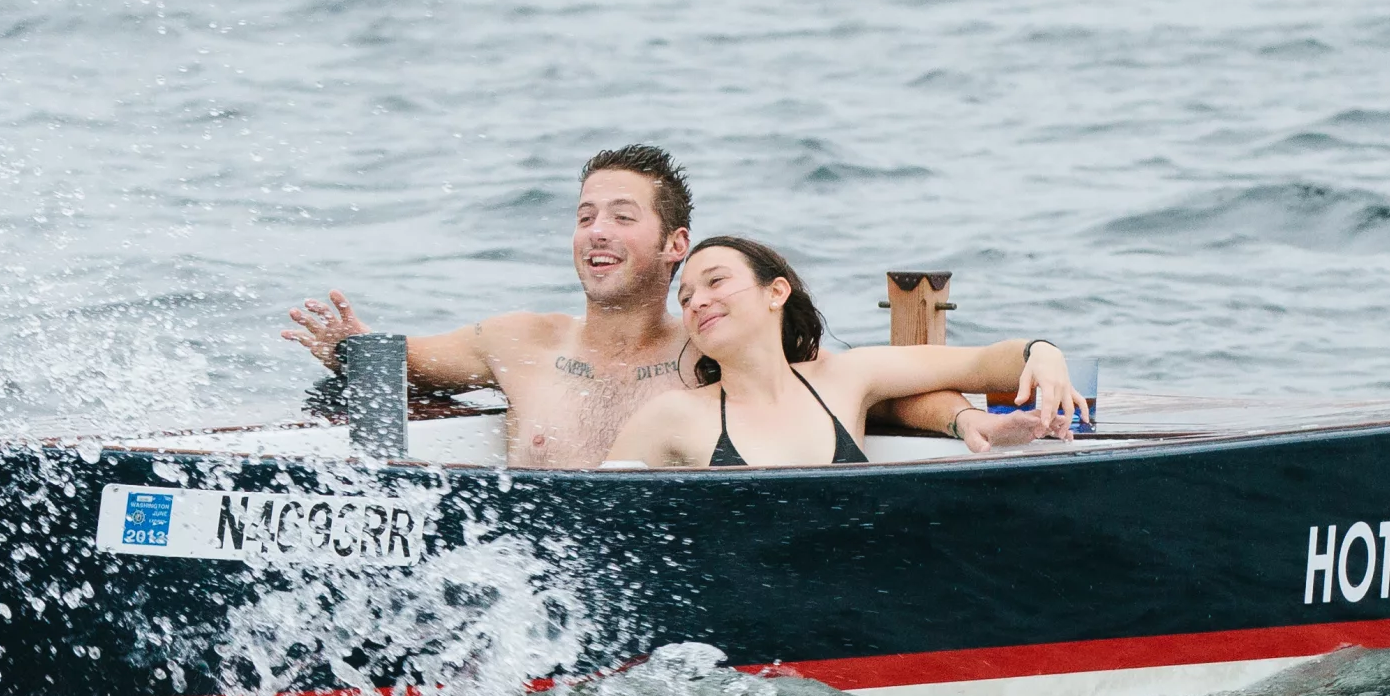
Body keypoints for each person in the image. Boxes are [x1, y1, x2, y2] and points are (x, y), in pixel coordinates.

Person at [281, 146, 994, 470]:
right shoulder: (517, 341)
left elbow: (865, 395)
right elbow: (404, 368)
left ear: (674, 244)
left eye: (623, 217)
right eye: (586, 215)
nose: (597, 230)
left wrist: (960, 418)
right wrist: (351, 350)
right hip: (527, 582)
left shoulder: (711, 350)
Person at [602, 235, 1082, 469]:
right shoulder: (669, 416)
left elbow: (976, 364)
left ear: (776, 293)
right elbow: (593, 521)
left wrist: (1041, 353)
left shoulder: (846, 378)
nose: (697, 301)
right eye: (685, 298)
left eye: (715, 282)